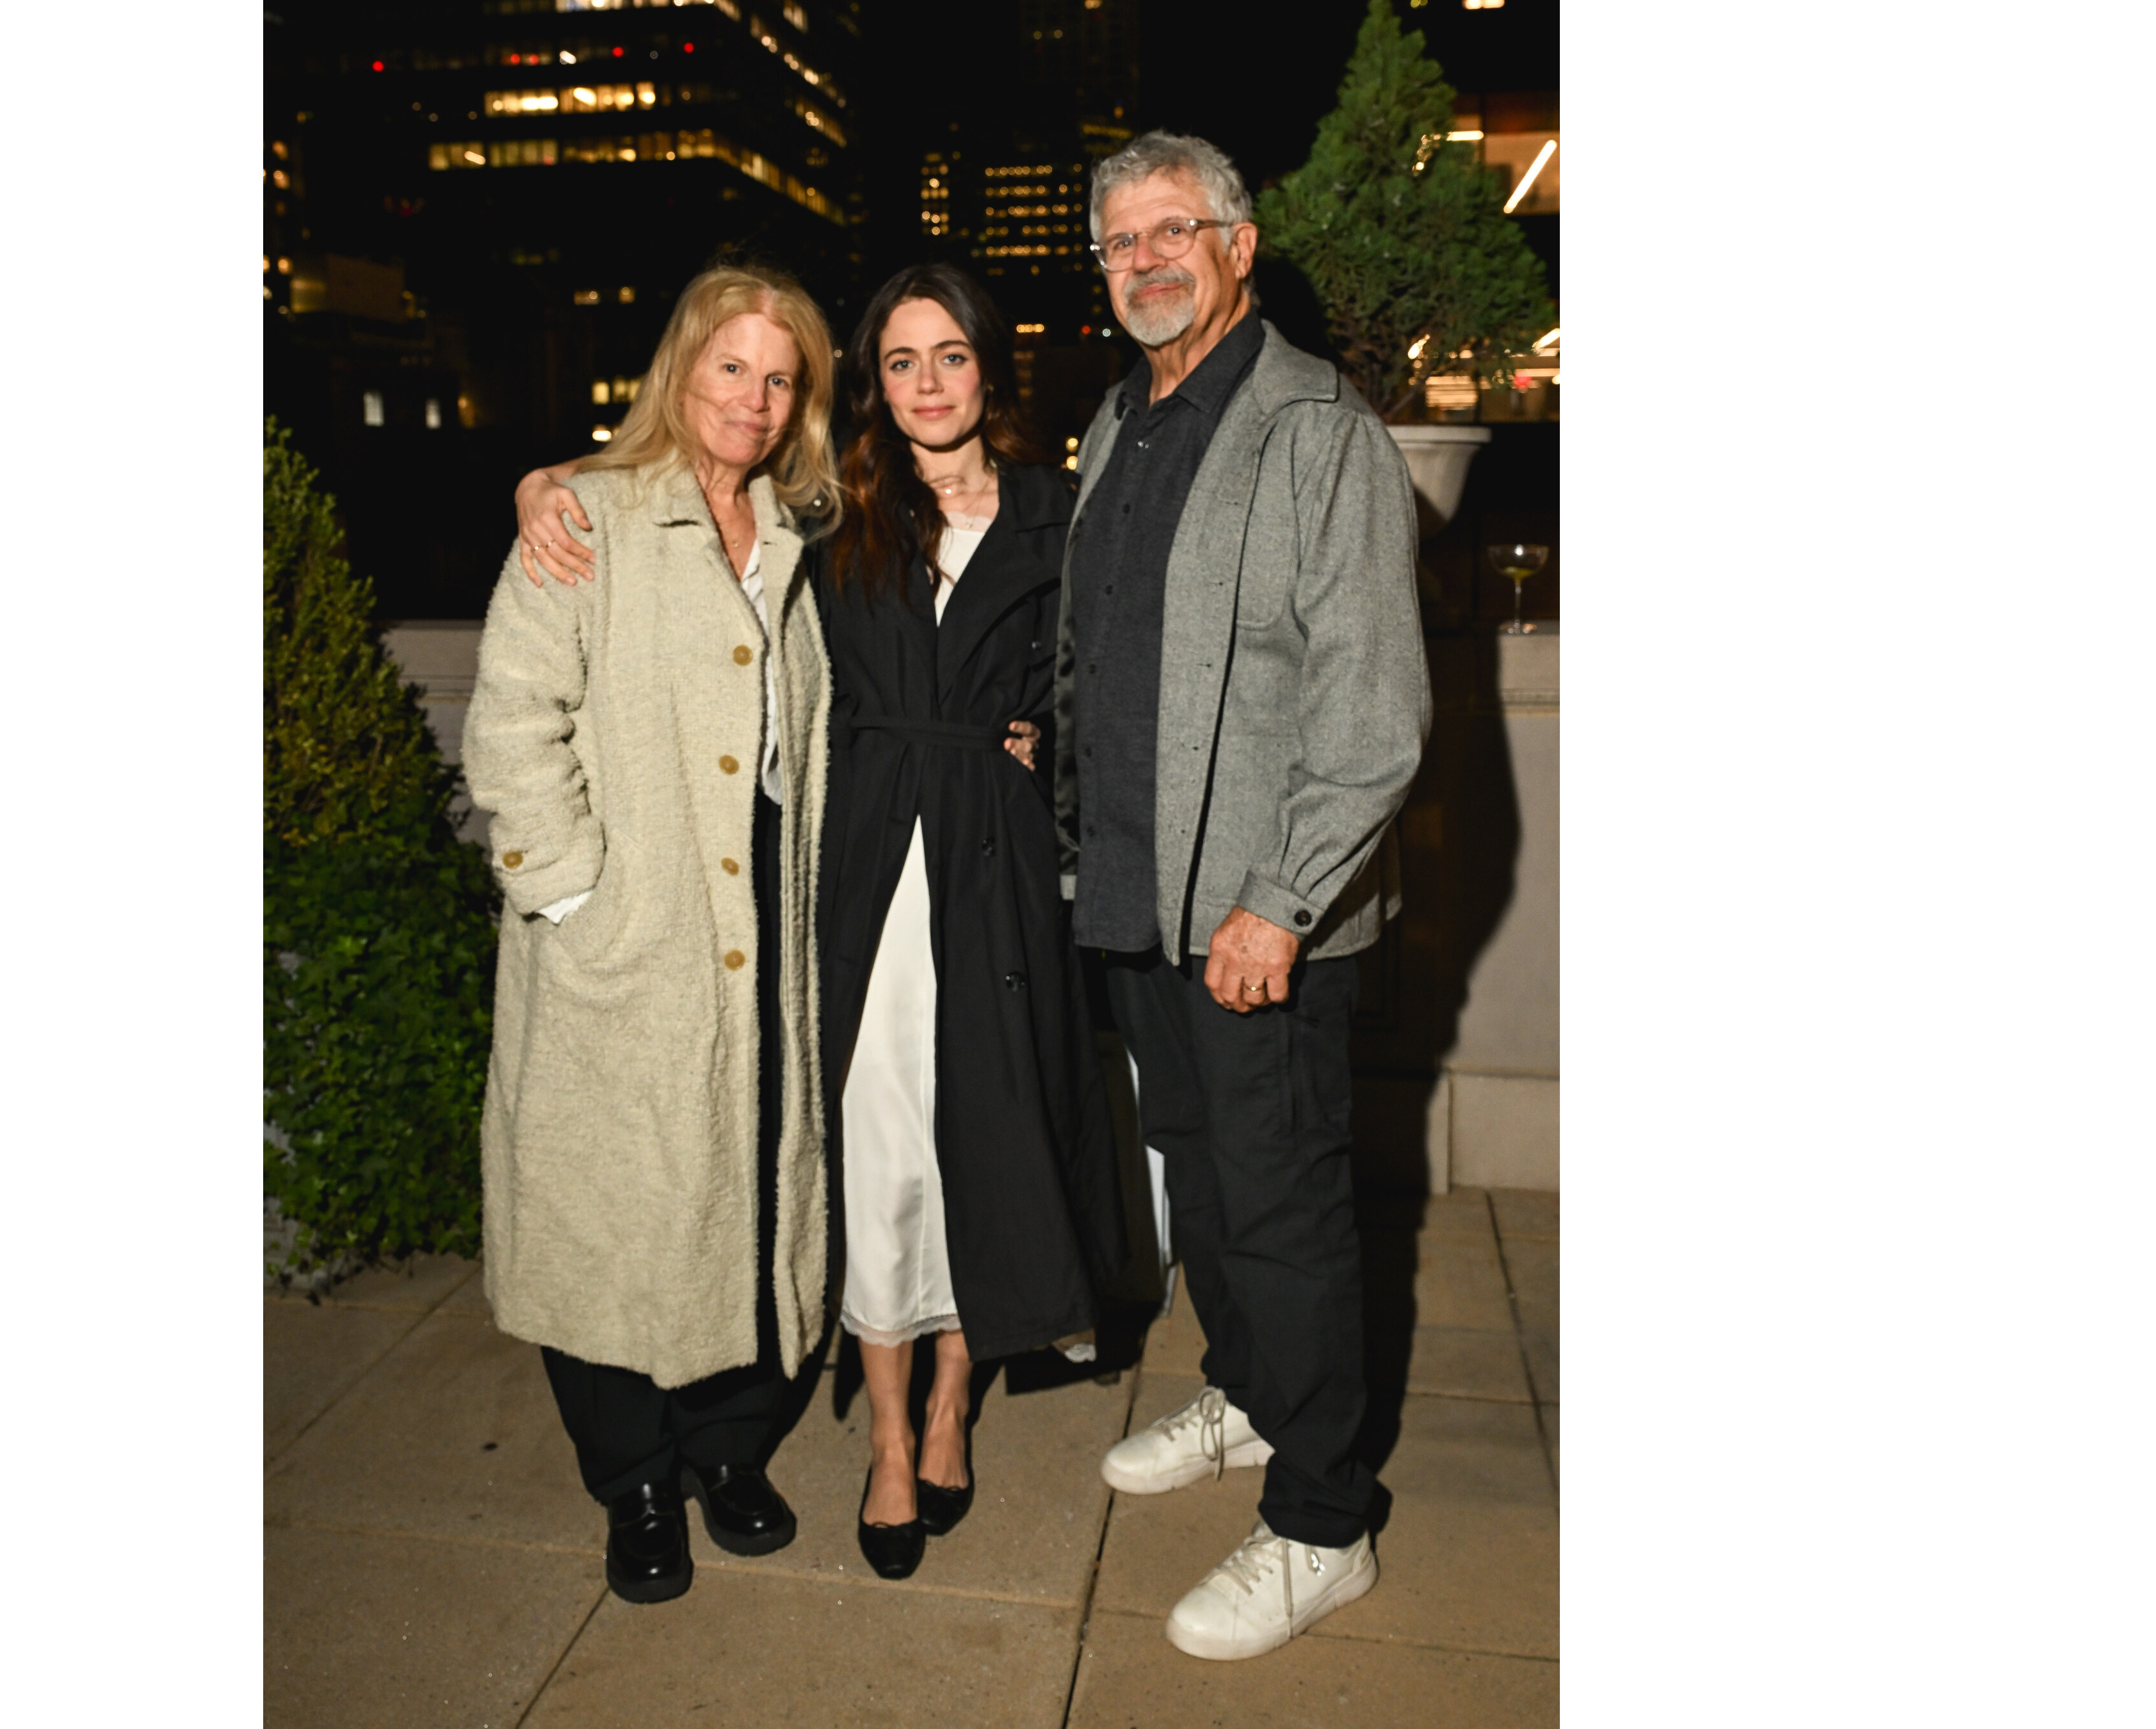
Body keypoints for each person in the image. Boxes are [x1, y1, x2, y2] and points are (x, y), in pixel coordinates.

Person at [512, 262, 1126, 1584]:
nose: (925, 384)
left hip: (985, 865)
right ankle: (849, 1444)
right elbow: (658, 485)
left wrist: (1049, 758)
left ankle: (935, 1406)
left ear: (988, 367)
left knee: (989, 1134)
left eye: (949, 356)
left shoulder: (1053, 513)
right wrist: (541, 483)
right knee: (858, 1147)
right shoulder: (834, 506)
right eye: (897, 361)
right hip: (842, 871)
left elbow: (1115, 674)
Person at [1060, 131, 1431, 1660]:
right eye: (1117, 242)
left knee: (1282, 1210)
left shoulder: (1314, 433)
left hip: (1257, 917)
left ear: (1236, 245)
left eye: (1172, 233)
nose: (1143, 260)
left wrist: (1277, 902)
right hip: (1139, 899)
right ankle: (1248, 1389)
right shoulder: (1113, 423)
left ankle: (1323, 1517)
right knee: (1201, 1182)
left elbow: (1373, 708)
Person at [461, 261, 842, 1607]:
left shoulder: (799, 525)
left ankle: (729, 1451)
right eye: (728, 366)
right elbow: (511, 721)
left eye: (778, 375)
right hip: (631, 930)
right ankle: (632, 1479)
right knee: (612, 1214)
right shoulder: (591, 519)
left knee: (746, 1189)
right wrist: (570, 893)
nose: (751, 396)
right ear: (679, 371)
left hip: (761, 922)